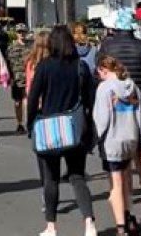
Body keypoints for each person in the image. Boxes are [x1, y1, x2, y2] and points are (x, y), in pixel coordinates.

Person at [27, 25, 97, 236]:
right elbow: (90, 98)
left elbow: (33, 97)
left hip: (49, 126)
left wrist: (31, 123)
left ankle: (51, 226)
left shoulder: (45, 66)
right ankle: (89, 224)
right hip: (75, 127)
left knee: (51, 178)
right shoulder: (80, 66)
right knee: (77, 177)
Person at [100, 9, 141, 231]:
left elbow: (100, 77)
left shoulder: (107, 47)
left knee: (122, 166)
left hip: (117, 113)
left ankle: (128, 213)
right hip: (140, 108)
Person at [94, 54, 141, 236]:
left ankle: (121, 227)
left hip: (113, 141)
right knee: (126, 179)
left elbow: (101, 120)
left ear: (103, 70)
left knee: (116, 186)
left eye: (99, 73)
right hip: (131, 139)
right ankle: (129, 216)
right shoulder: (133, 87)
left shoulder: (104, 88)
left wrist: (93, 141)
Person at [6, 24, 30, 133]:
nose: (21, 34)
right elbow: (7, 63)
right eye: (19, 32)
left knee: (27, 100)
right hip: (16, 78)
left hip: (28, 77)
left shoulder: (31, 46)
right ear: (16, 33)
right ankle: (19, 123)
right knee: (17, 102)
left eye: (23, 32)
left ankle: (28, 122)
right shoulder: (11, 48)